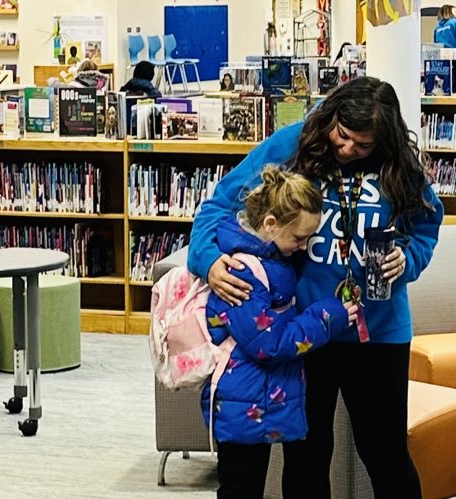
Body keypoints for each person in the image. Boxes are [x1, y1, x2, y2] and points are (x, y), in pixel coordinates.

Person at [190, 77, 443, 498]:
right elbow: (220, 203)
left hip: (378, 333)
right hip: (302, 334)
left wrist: (410, 258)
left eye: (362, 146)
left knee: (385, 454)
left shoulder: (398, 163)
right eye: (342, 136)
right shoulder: (296, 142)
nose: (347, 150)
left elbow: (427, 224)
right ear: (332, 118)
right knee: (306, 456)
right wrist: (208, 260)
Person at [203, 166, 357, 499]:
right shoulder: (242, 271)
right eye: (299, 238)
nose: (303, 247)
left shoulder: (276, 259)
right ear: (270, 224)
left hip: (262, 396)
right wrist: (329, 315)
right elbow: (269, 344)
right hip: (242, 403)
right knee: (241, 488)